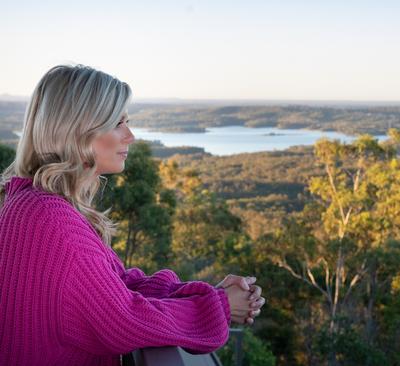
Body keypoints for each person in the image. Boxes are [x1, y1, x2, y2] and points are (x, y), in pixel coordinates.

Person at [0, 64, 265, 366]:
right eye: (118, 123)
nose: (131, 136)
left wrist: (208, 295)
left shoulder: (36, 204)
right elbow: (123, 317)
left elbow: (118, 284)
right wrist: (219, 308)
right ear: (77, 130)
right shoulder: (51, 219)